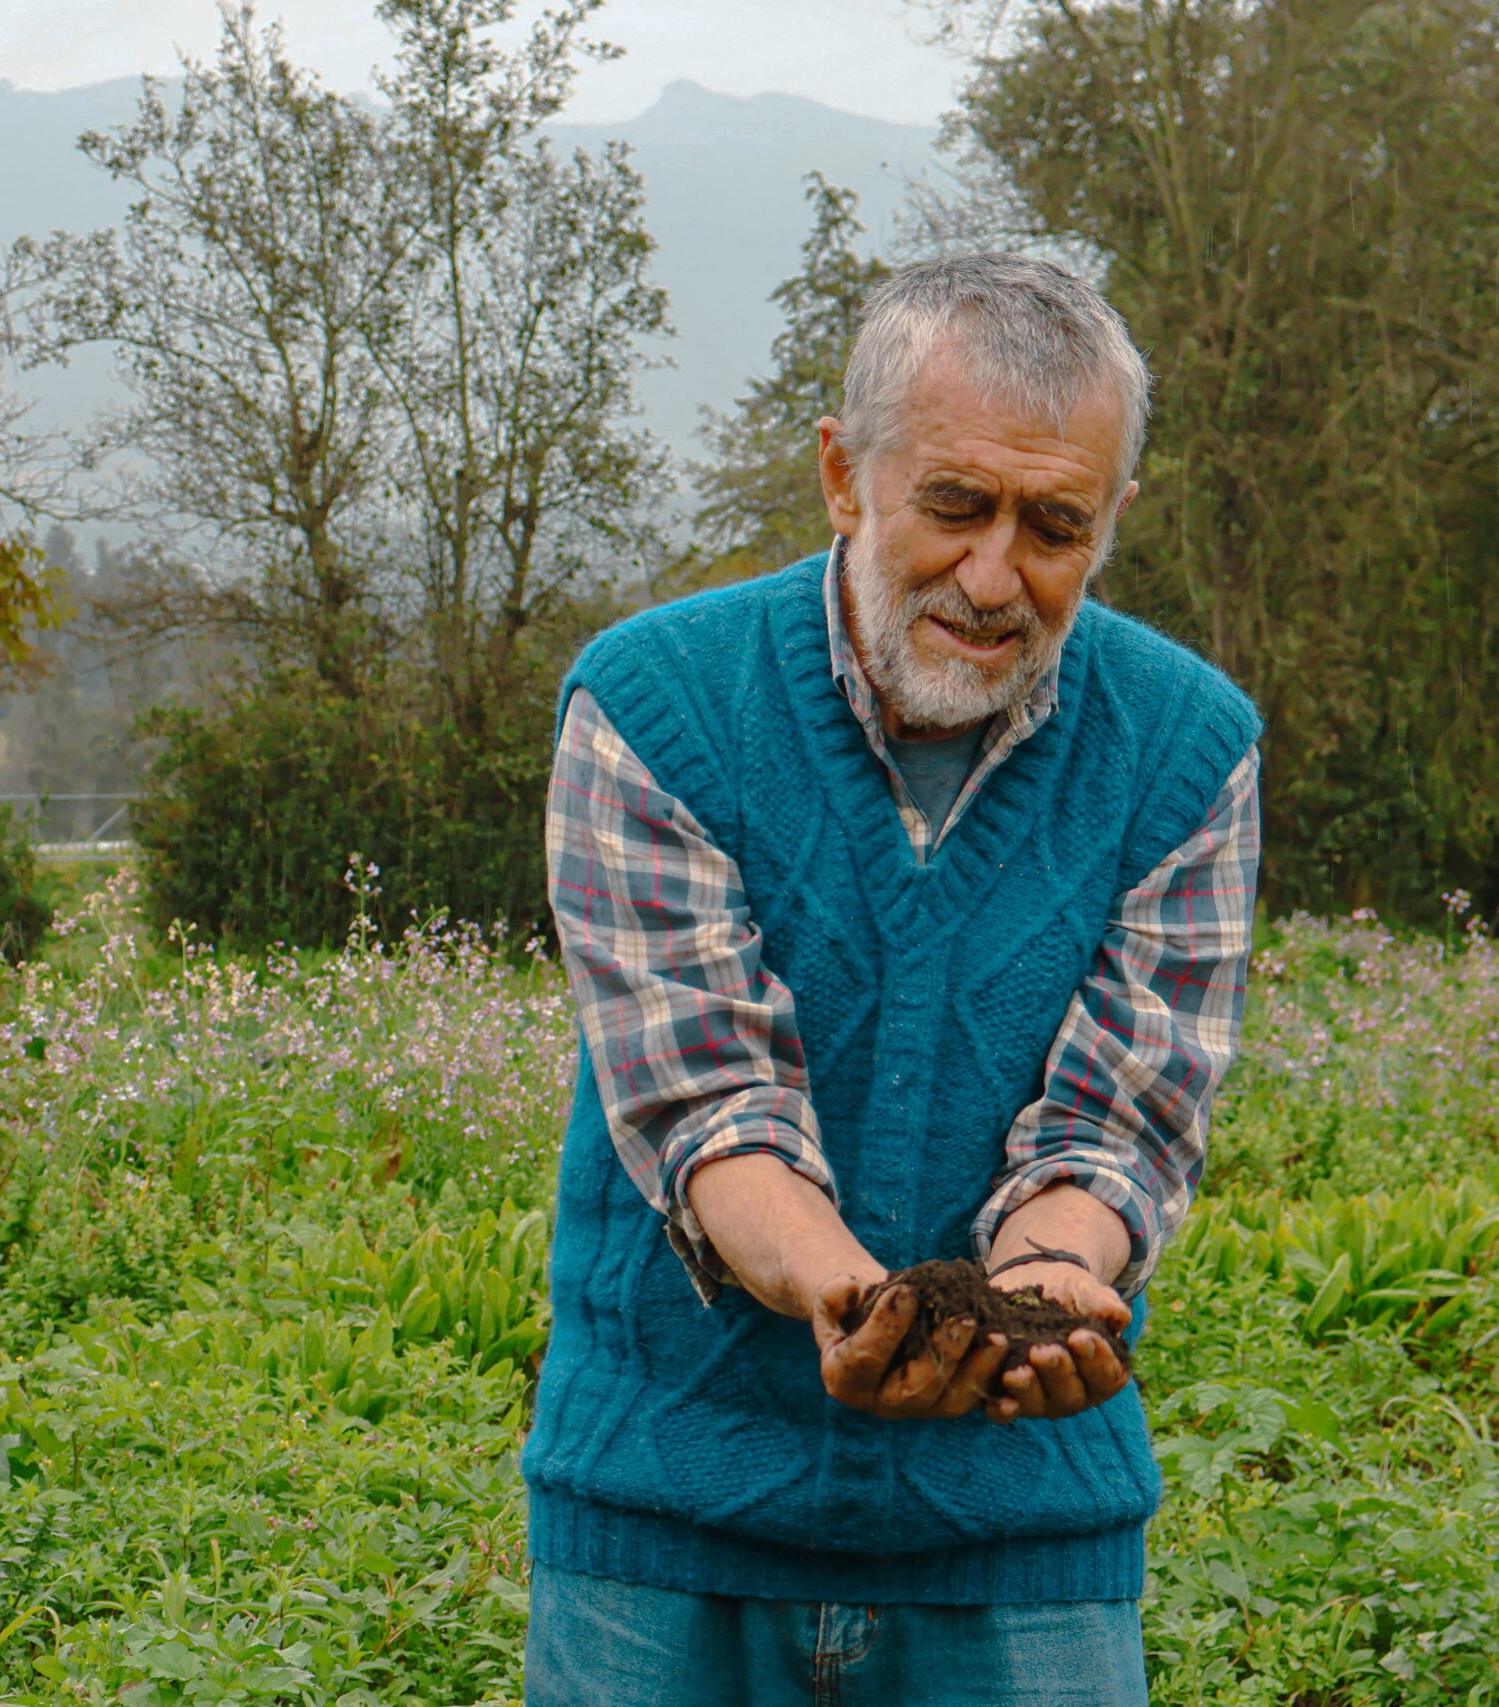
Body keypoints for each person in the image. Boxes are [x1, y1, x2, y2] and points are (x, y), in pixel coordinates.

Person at [523, 252, 1262, 1706]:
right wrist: (854, 1298)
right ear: (842, 476)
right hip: (662, 1523)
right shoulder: (653, 706)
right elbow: (704, 1104)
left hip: (1024, 1536)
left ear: (1115, 519)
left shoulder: (1186, 749)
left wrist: (1050, 1281)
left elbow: (1118, 1122)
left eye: (1054, 525)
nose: (996, 578)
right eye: (954, 506)